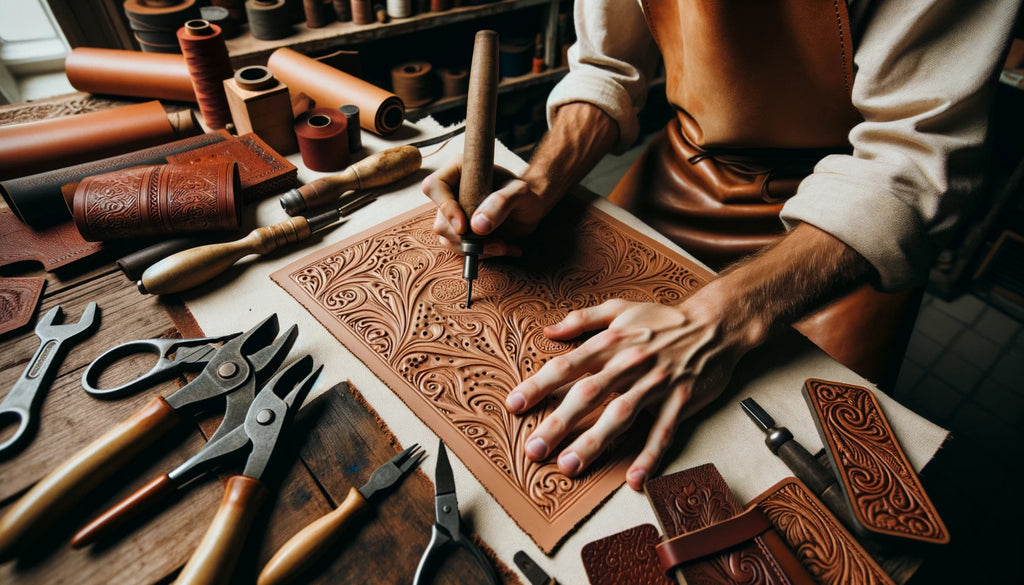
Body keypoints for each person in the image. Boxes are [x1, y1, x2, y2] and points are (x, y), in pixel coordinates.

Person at [423, 0, 1021, 491]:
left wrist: (718, 319)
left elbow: (910, 162)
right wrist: (541, 182)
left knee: (789, 485)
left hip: (844, 212)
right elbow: (608, 68)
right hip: (687, 166)